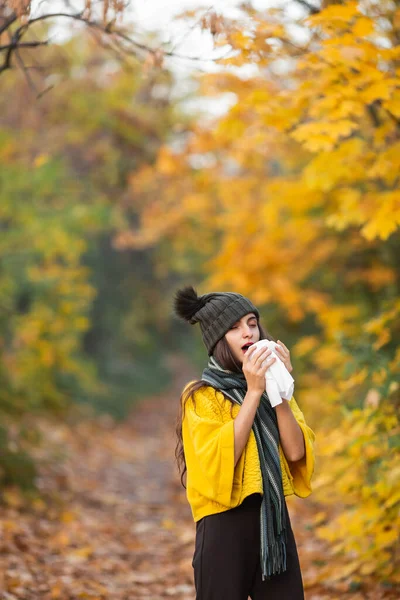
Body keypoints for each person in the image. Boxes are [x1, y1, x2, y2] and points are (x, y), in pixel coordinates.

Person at [173, 285, 316, 600]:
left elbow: (295, 453)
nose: (248, 333)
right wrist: (253, 392)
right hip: (223, 527)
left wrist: (278, 390)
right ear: (218, 340)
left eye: (252, 323)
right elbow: (219, 461)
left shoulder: (275, 385)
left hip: (273, 525)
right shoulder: (200, 396)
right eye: (235, 327)